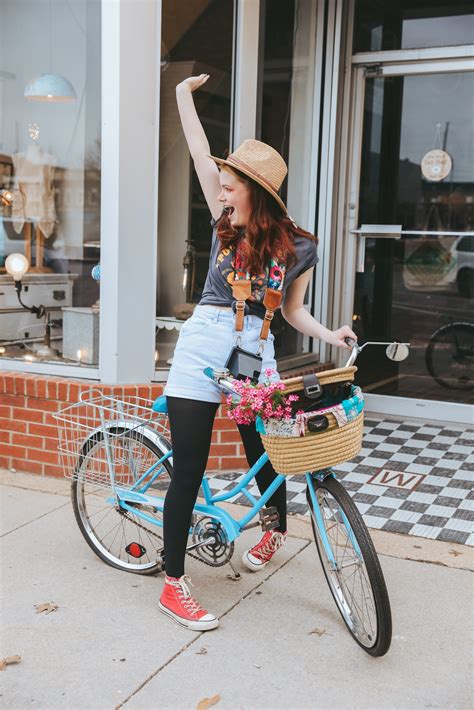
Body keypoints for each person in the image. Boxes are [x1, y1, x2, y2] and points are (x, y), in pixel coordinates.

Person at [159, 74, 357, 632]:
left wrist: (329, 335)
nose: (220, 193)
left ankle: (273, 528)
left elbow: (292, 310)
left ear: (256, 191)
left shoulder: (302, 247)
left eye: (229, 186)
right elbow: (200, 153)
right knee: (189, 466)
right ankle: (174, 585)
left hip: (256, 349)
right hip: (204, 345)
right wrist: (180, 97)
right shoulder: (224, 230)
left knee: (269, 449)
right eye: (220, 185)